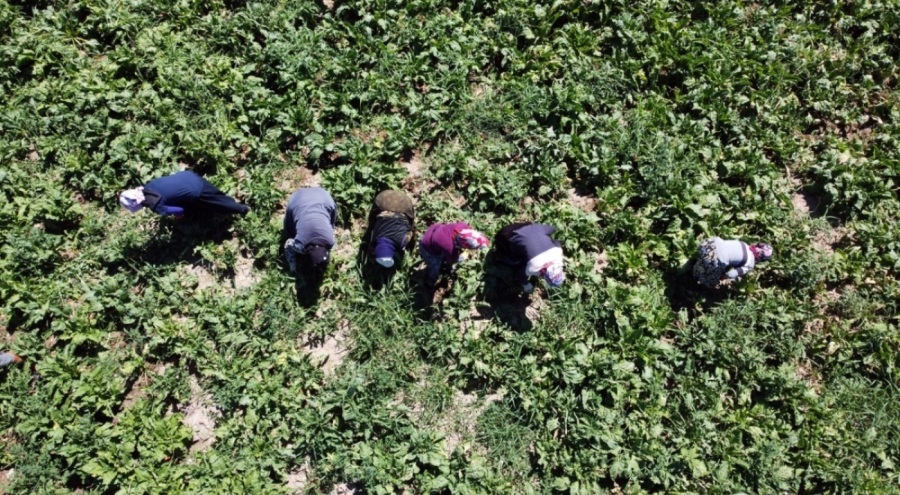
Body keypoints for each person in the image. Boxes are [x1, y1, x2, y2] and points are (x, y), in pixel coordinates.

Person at [119, 170, 249, 218]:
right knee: (216, 195)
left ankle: (243, 209)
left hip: (196, 190)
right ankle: (228, 198)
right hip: (189, 175)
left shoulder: (155, 205)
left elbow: (179, 210)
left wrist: (178, 216)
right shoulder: (148, 186)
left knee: (217, 204)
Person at [493, 222, 565, 293]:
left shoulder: (558, 252)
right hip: (506, 235)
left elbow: (556, 241)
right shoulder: (534, 267)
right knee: (514, 261)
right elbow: (520, 276)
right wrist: (526, 285)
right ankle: (499, 257)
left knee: (549, 230)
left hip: (531, 226)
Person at [283, 187, 337, 274]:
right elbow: (288, 244)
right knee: (289, 232)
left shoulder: (331, 241)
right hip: (297, 200)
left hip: (323, 195)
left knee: (330, 221)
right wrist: (292, 265)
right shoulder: (300, 246)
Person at [419, 222, 490, 287]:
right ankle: (429, 281)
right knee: (435, 266)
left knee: (443, 253)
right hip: (426, 246)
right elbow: (453, 260)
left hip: (433, 230)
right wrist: (463, 256)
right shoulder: (450, 247)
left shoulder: (463, 226)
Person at [693, 237, 774, 288]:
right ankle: (695, 276)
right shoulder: (750, 264)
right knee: (711, 281)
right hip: (713, 258)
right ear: (761, 259)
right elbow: (730, 274)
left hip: (709, 242)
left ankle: (697, 262)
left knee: (706, 260)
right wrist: (723, 278)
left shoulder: (743, 243)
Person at [365, 190, 415, 268]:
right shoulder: (374, 237)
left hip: (403, 204)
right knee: (373, 220)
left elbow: (410, 232)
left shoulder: (402, 241)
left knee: (410, 220)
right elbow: (372, 226)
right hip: (383, 198)